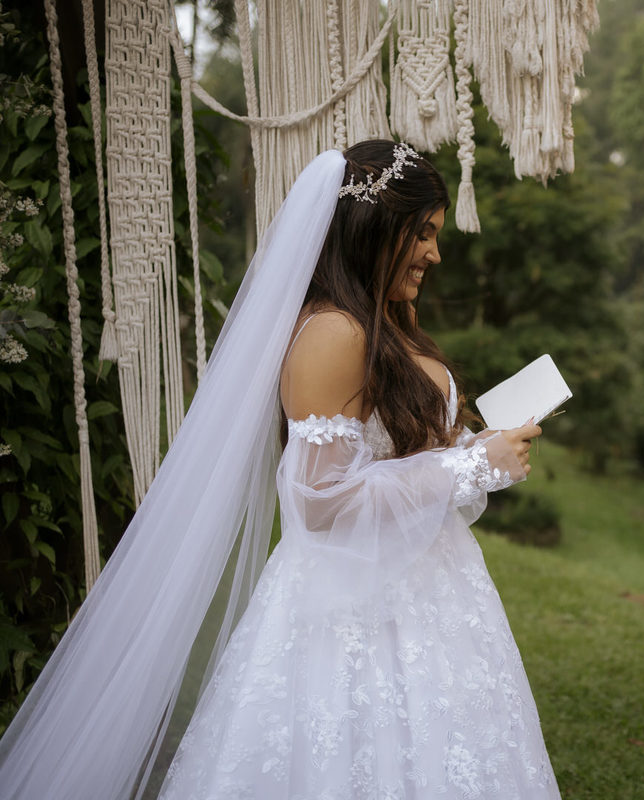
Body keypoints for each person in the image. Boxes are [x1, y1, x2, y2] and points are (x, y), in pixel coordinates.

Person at [0, 141, 558, 799]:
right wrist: (467, 467)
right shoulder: (333, 334)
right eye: (424, 233)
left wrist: (477, 450)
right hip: (354, 609)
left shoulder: (385, 321)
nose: (434, 253)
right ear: (375, 228)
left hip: (430, 594)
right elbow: (320, 501)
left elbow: (392, 452)